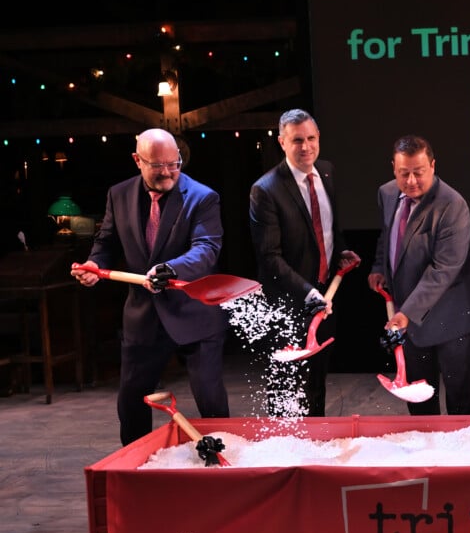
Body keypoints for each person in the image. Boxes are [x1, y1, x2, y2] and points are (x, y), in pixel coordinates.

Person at [70, 128, 230, 445]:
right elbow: (106, 243)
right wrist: (93, 265)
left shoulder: (203, 197)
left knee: (210, 400)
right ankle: (134, 472)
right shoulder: (119, 195)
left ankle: (226, 468)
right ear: (137, 160)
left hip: (194, 315)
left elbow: (206, 249)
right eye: (158, 166)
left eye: (175, 164)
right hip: (144, 317)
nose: (168, 172)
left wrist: (171, 268)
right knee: (130, 403)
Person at [249, 108, 361, 417]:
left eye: (311, 138)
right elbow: (269, 257)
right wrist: (309, 293)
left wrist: (341, 251)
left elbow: (325, 228)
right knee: (286, 388)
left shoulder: (327, 171)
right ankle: (286, 454)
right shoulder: (265, 189)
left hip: (325, 296)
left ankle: (316, 449)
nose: (305, 147)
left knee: (316, 383)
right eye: (297, 140)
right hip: (287, 303)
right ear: (282, 142)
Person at [367, 134, 470, 415]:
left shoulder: (452, 205)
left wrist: (406, 312)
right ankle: (426, 455)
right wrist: (380, 267)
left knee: (460, 401)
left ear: (432, 165)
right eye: (403, 173)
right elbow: (388, 236)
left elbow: (444, 270)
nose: (411, 181)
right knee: (418, 399)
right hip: (409, 321)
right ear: (393, 168)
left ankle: (464, 457)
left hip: (451, 319)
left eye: (418, 173)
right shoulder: (387, 193)